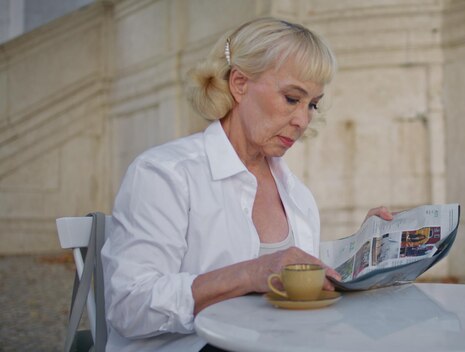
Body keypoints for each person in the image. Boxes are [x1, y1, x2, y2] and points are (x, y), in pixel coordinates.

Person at [101, 17, 393, 351]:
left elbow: (299, 293)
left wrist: (363, 253)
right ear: (239, 83)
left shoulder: (296, 195)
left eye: (312, 104)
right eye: (291, 98)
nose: (303, 120)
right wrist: (250, 273)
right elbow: (128, 306)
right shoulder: (165, 174)